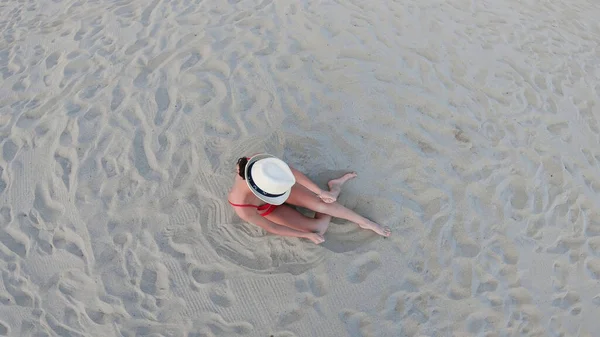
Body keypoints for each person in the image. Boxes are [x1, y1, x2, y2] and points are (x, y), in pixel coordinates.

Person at [227, 153, 392, 244]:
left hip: (281, 188)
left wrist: (320, 192)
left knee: (322, 204)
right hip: (268, 208)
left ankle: (364, 221)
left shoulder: (261, 167)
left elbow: (290, 172)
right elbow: (273, 228)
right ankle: (335, 189)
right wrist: (306, 236)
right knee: (317, 230)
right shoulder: (243, 207)